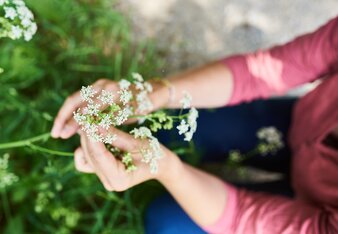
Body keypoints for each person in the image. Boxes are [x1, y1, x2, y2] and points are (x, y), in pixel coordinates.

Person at [51, 15, 338, 234]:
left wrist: (166, 167)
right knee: (165, 125)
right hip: (301, 122)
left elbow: (243, 216)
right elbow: (261, 71)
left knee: (165, 221)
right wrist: (155, 93)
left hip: (317, 213)